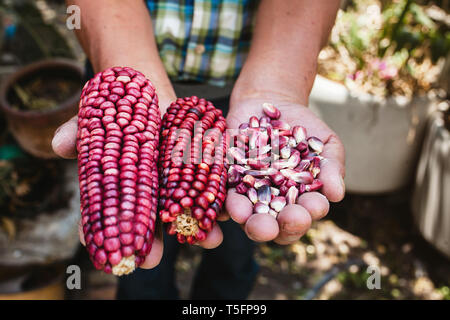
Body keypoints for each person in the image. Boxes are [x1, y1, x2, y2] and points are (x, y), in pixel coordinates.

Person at [52, 0, 346, 299]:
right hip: (128, 64)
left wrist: (282, 84)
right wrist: (125, 75)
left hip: (243, 93)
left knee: (236, 246)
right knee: (145, 272)